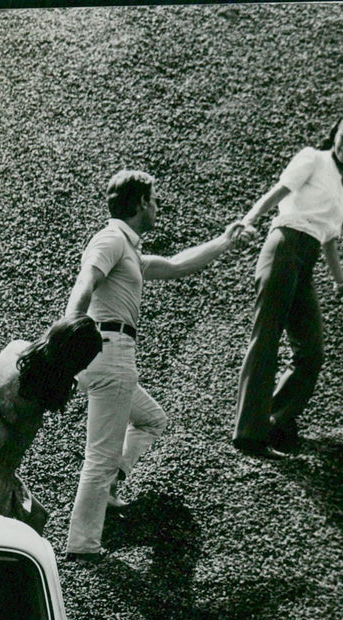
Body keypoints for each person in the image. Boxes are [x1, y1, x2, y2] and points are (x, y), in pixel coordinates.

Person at [63, 168, 239, 561]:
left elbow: (177, 265)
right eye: (155, 200)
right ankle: (83, 545)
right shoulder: (110, 240)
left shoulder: (129, 251)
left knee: (151, 419)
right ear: (141, 203)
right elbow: (84, 282)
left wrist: (225, 242)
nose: (158, 207)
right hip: (109, 350)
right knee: (100, 454)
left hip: (107, 352)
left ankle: (108, 489)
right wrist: (68, 331)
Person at [232, 105, 343, 458]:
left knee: (311, 352)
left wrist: (341, 280)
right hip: (283, 246)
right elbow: (280, 191)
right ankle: (249, 434)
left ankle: (276, 420)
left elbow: (329, 239)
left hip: (306, 260)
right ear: (334, 134)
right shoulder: (313, 159)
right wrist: (249, 219)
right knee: (266, 336)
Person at [0, 315, 102, 534]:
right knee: (3, 535)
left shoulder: (15, 349)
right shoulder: (34, 394)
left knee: (30, 521)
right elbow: (17, 446)